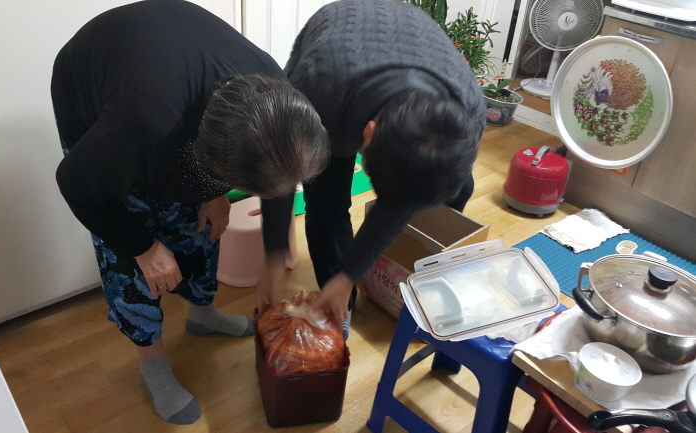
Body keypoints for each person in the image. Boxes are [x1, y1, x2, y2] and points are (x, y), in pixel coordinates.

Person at [51, 0, 328, 425]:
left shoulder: (278, 97)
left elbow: (279, 179)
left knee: (205, 222)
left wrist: (221, 202)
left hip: (170, 77)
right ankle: (152, 364)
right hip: (94, 93)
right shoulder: (142, 121)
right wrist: (142, 248)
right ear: (211, 156)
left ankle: (202, 315)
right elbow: (77, 185)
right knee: (132, 261)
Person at [256, 0, 486, 334]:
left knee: (460, 188)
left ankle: (352, 287)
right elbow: (280, 161)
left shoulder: (468, 114)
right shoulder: (316, 90)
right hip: (337, 53)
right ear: (369, 133)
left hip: (410, 42)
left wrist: (350, 275)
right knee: (326, 203)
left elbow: (400, 201)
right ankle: (337, 308)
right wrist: (275, 253)